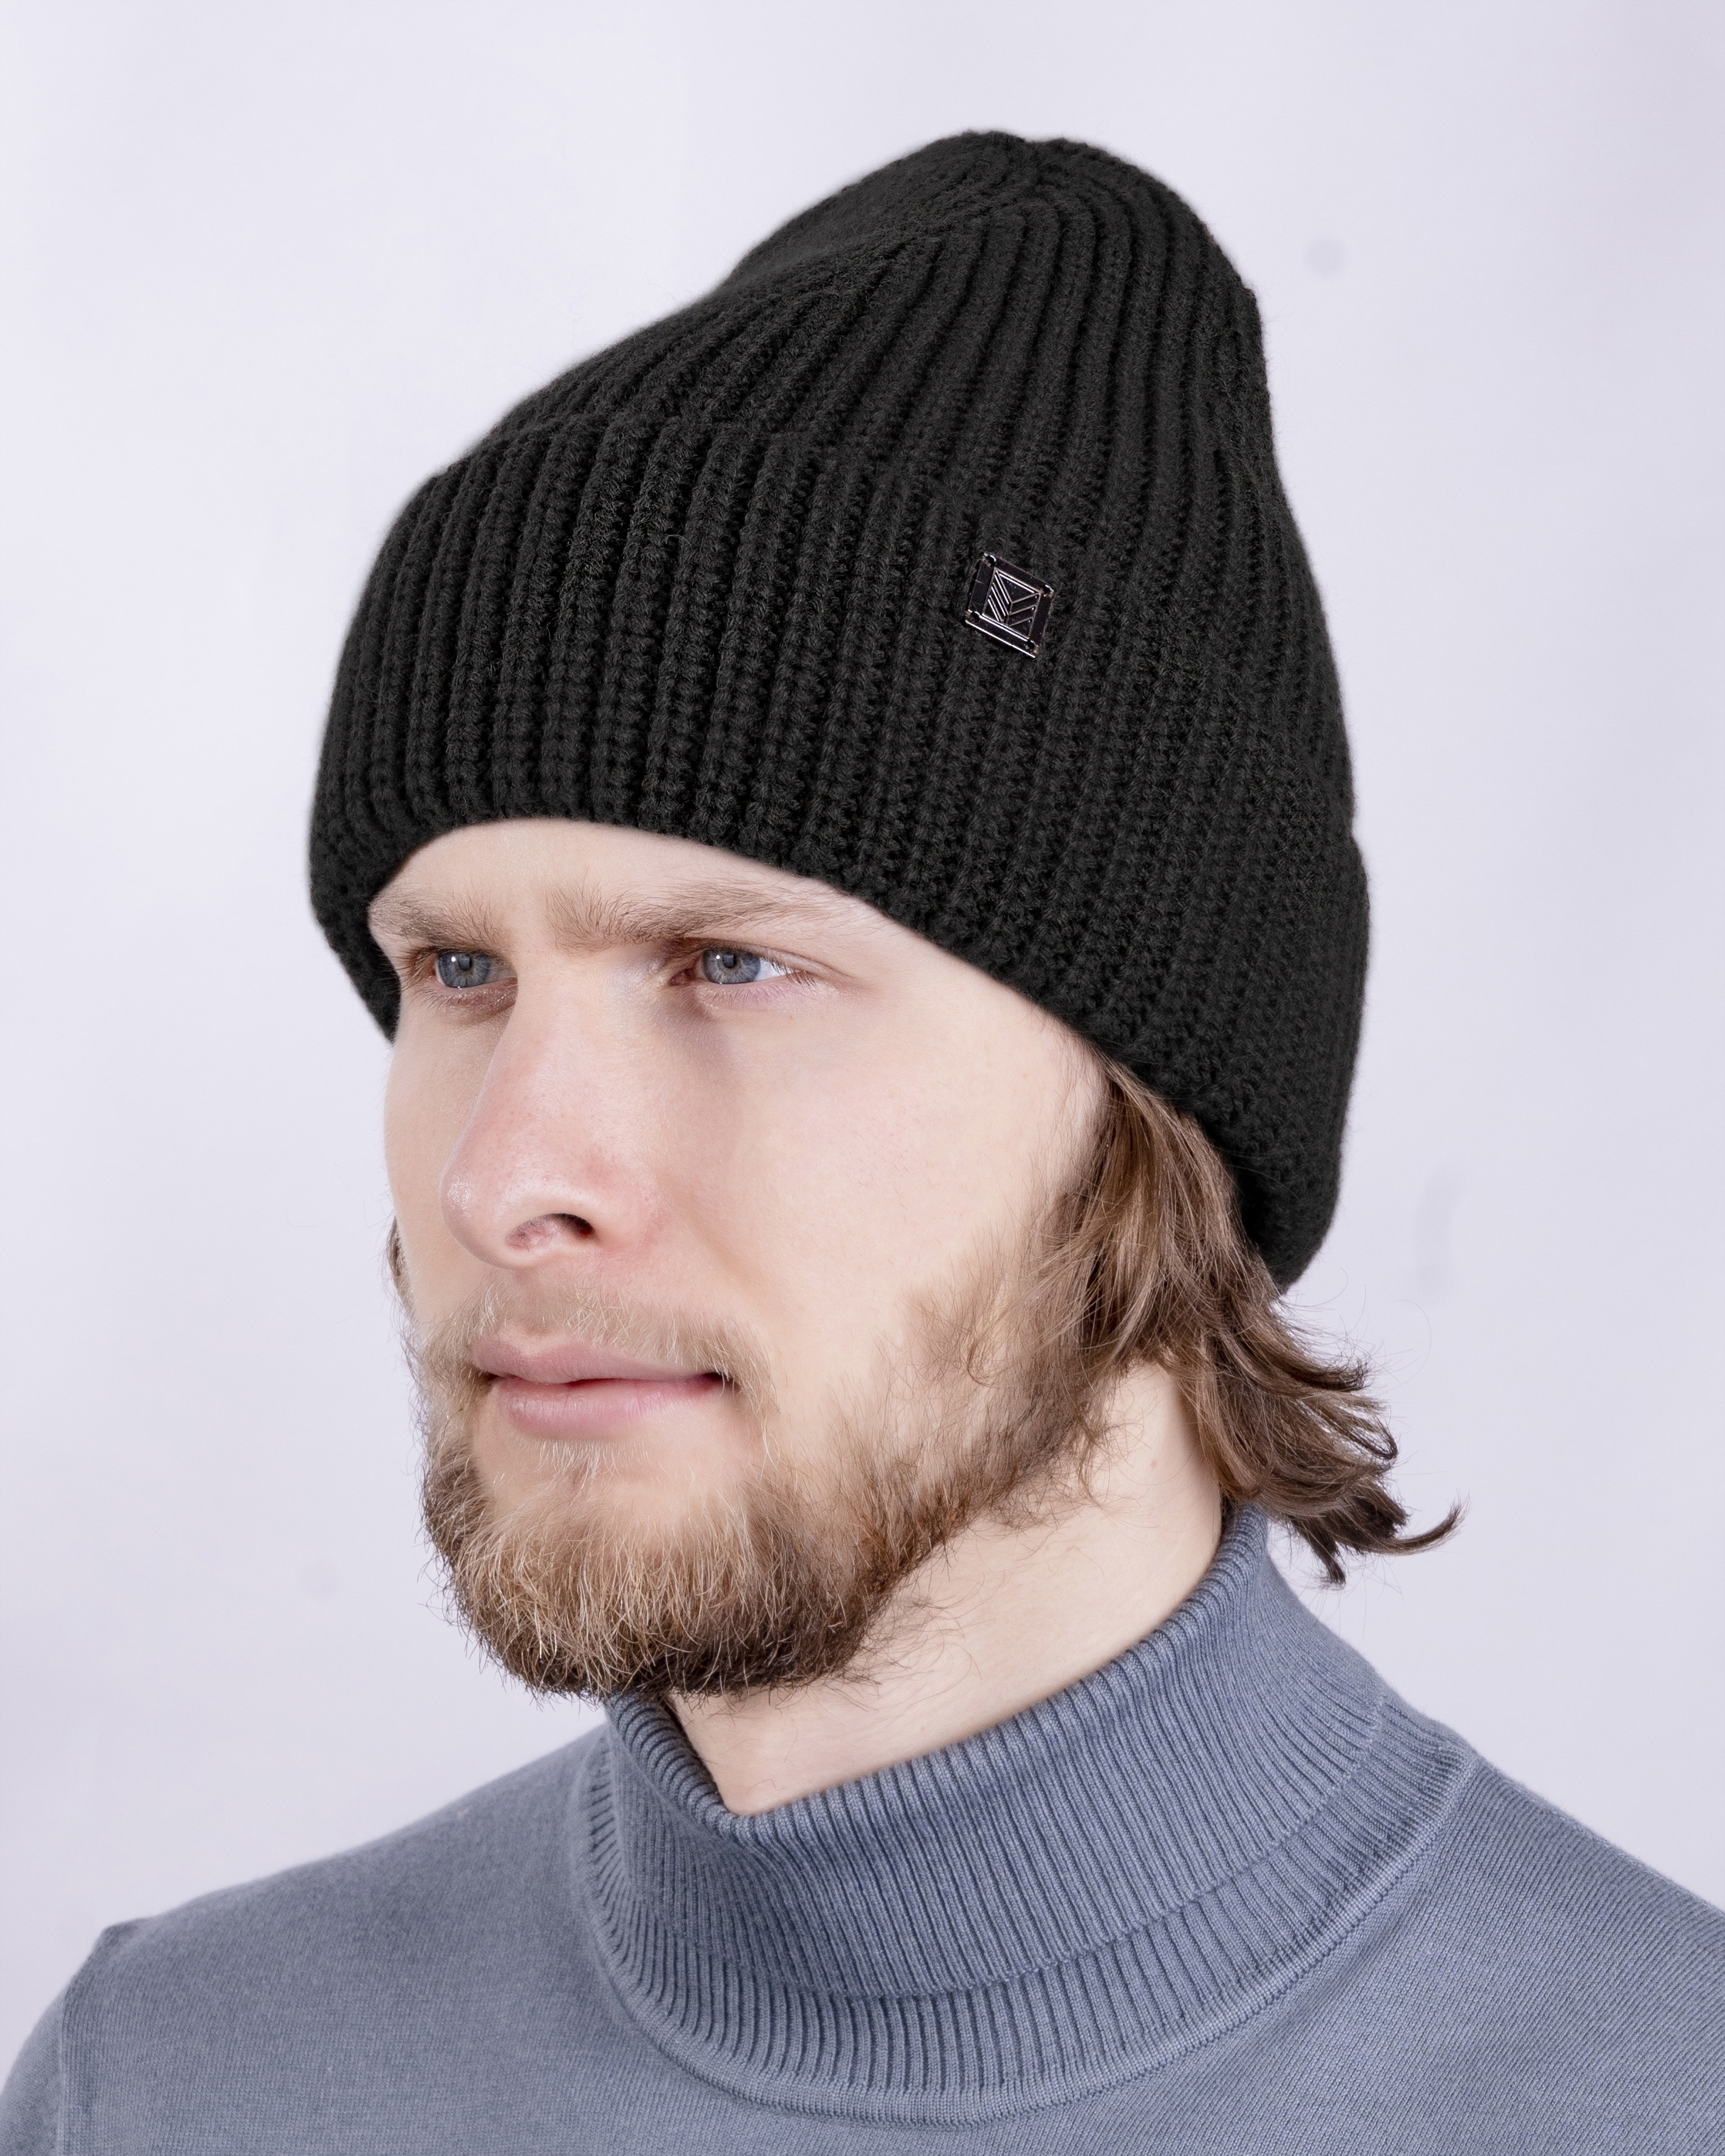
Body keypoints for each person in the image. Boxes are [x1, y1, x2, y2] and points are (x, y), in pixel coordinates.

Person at [4, 131, 1719, 2155]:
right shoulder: (174, 2085)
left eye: (732, 964)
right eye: (457, 971)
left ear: (1157, 1099)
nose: (505, 1179)